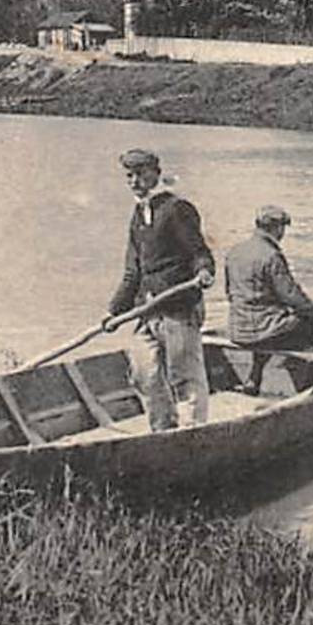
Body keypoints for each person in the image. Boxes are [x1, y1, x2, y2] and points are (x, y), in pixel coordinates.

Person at [102, 148, 215, 431]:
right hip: (146, 311)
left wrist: (204, 272)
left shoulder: (176, 208)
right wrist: (113, 311)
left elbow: (200, 252)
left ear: (156, 173)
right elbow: (132, 272)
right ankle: (163, 431)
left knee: (184, 377)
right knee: (144, 375)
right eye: (129, 176)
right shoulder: (138, 215)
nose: (134, 181)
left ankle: (192, 434)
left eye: (140, 174)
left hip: (178, 308)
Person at [222, 205, 313, 353]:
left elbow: (229, 293)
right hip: (266, 333)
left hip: (238, 331)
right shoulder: (271, 255)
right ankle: (310, 375)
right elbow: (291, 296)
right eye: (282, 228)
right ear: (277, 228)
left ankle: (257, 370)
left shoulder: (235, 252)